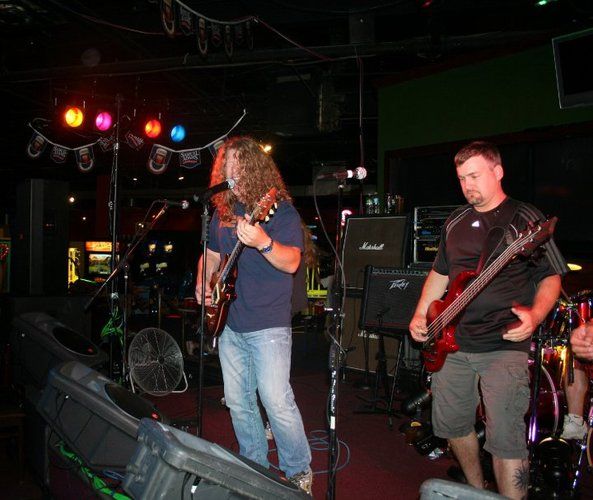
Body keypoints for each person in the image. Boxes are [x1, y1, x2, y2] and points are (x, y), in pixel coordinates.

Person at [409, 141, 567, 499]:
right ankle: (476, 490)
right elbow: (440, 274)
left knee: (506, 437)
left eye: (475, 176)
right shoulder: (456, 221)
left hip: (502, 344)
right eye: (462, 178)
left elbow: (552, 276)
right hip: (451, 344)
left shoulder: (526, 218)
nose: (468, 186)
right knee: (453, 425)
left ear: (498, 172)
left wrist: (535, 315)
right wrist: (421, 313)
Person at [195, 136, 312, 494]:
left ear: (253, 167)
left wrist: (263, 242)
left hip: (268, 322)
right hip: (230, 320)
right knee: (238, 401)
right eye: (225, 164)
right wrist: (202, 280)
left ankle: (298, 470)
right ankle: (254, 465)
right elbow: (211, 255)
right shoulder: (221, 213)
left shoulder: (279, 211)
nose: (230, 170)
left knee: (276, 400)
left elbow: (292, 262)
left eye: (237, 163)